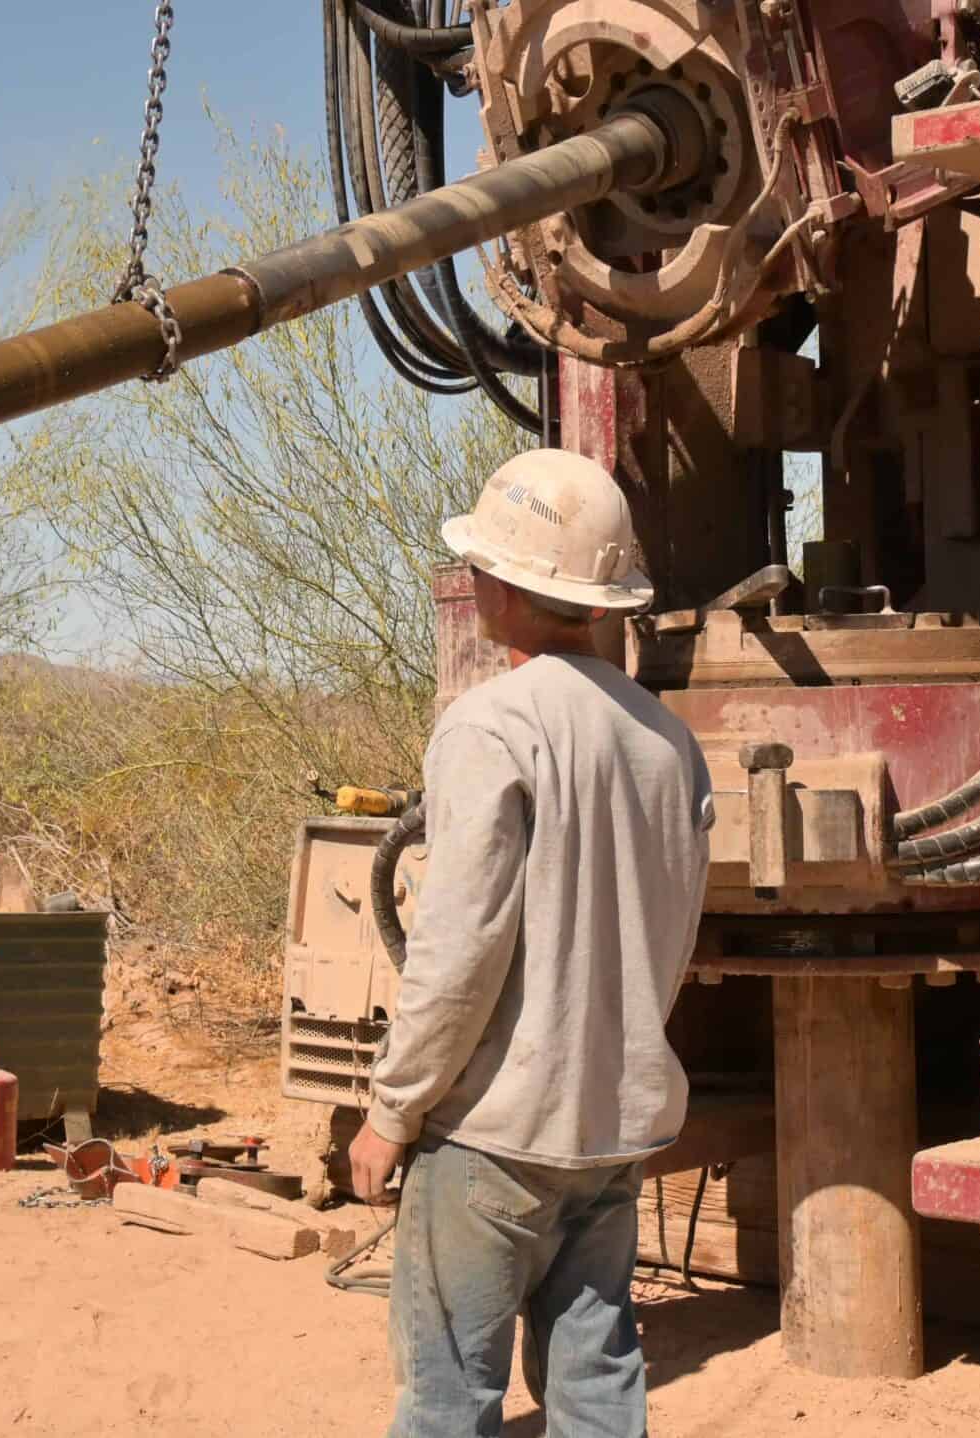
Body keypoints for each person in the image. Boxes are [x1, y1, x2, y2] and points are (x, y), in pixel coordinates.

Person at [345, 447, 715, 1438]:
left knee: (449, 1398)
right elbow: (670, 939)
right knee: (595, 1387)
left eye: (479, 567)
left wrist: (392, 1109)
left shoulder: (490, 726)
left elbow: (456, 951)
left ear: (502, 586)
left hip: (492, 1137)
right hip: (610, 1136)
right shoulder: (667, 743)